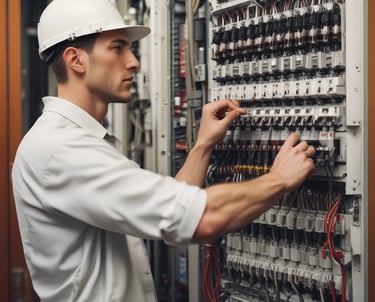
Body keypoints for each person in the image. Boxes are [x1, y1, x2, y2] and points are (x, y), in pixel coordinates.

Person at [11, 0, 316, 301]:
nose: (133, 61)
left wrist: (203, 144)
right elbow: (201, 218)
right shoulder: (63, 150)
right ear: (76, 60)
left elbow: (170, 209)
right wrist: (279, 179)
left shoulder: (69, 141)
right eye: (117, 47)